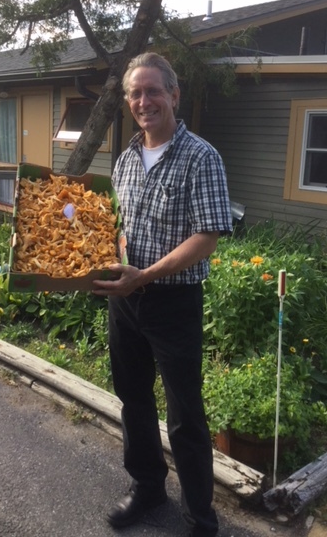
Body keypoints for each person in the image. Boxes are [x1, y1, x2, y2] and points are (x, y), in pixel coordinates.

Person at [92, 52, 233, 537]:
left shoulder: (201, 156)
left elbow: (207, 235)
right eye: (135, 93)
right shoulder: (126, 158)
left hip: (174, 304)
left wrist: (144, 275)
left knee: (185, 414)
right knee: (132, 399)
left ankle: (200, 518)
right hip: (125, 300)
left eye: (153, 90)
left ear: (174, 95)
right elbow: (116, 227)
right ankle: (148, 487)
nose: (143, 101)